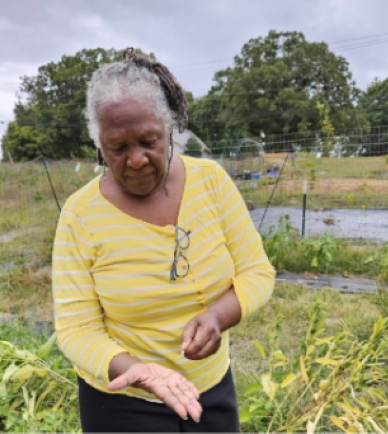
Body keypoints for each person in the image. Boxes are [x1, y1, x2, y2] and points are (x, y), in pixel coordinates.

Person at [52, 48, 275, 432]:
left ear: (169, 128)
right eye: (118, 148)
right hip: (121, 403)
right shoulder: (79, 216)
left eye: (148, 141)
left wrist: (217, 317)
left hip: (209, 389)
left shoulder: (212, 183)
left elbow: (257, 272)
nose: (136, 159)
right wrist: (138, 370)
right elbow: (76, 329)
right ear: (99, 145)